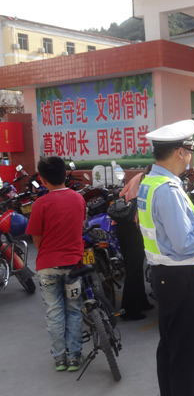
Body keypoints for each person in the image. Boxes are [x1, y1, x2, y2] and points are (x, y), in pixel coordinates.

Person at [137, 120, 194, 396]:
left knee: (172, 347)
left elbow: (167, 230)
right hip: (183, 278)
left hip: (166, 275)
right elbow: (182, 244)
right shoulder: (168, 189)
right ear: (180, 152)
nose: (190, 156)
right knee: (188, 353)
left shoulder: (150, 182)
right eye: (190, 150)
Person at [26, 157, 86, 372]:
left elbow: (37, 239)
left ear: (42, 180)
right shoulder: (78, 199)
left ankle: (60, 358)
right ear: (64, 175)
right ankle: (74, 357)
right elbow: (80, 226)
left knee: (54, 312)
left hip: (48, 266)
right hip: (73, 265)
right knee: (74, 310)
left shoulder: (40, 204)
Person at [115, 167, 154, 321]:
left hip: (124, 226)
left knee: (136, 267)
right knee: (133, 269)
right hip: (131, 227)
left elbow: (121, 194)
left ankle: (141, 301)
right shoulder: (147, 180)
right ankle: (129, 310)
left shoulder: (138, 177)